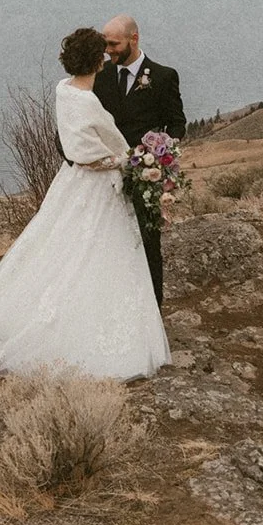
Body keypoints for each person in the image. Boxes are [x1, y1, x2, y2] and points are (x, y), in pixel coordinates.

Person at [0, 27, 170, 380]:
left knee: (61, 247)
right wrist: (134, 160)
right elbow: (103, 152)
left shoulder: (63, 90)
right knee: (97, 252)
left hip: (72, 184)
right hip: (95, 189)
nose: (108, 57)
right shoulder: (88, 102)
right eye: (103, 53)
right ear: (96, 60)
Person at [92, 15, 185, 307]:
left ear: (134, 39)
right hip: (104, 178)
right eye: (105, 43)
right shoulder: (101, 75)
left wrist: (160, 157)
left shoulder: (163, 76)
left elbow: (177, 124)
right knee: (108, 243)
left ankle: (153, 311)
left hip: (145, 178)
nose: (108, 50)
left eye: (113, 43)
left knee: (147, 245)